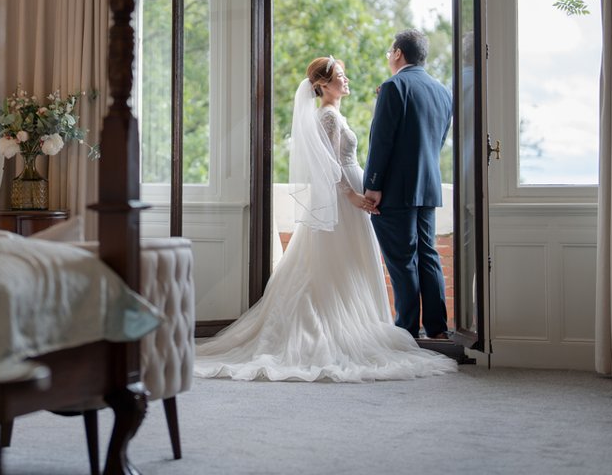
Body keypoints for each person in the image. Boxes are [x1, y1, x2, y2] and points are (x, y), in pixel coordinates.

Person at [194, 55, 457, 382]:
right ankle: (328, 326)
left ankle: (376, 322)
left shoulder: (335, 115)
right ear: (321, 85)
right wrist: (354, 196)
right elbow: (329, 169)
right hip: (343, 199)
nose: (346, 80)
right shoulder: (327, 119)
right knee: (338, 265)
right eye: (340, 77)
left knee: (351, 265)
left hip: (353, 193)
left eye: (344, 75)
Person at [364, 29, 453, 341]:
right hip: (428, 186)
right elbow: (439, 140)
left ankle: (407, 330)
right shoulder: (442, 91)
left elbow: (381, 141)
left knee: (402, 260)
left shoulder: (393, 86)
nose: (389, 57)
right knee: (428, 255)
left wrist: (373, 184)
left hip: (396, 189)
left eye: (390, 52)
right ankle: (438, 329)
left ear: (398, 53)